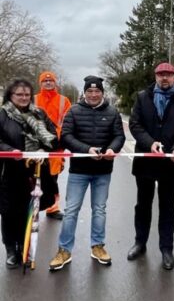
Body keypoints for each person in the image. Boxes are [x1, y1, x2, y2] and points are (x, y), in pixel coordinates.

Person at [49, 76, 125, 271]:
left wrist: (111, 150)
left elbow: (119, 136)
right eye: (89, 91)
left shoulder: (112, 112)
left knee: (99, 209)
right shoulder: (73, 111)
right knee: (72, 210)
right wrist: (86, 149)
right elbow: (65, 137)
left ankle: (98, 246)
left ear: (102, 92)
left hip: (103, 171)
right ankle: (64, 250)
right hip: (79, 171)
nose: (93, 94)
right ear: (84, 93)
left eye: (97, 91)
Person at [127, 62, 174, 270]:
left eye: (169, 75)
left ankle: (167, 249)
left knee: (167, 208)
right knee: (143, 205)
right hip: (146, 162)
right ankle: (140, 243)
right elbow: (135, 125)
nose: (165, 78)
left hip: (170, 163)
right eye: (161, 74)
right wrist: (150, 142)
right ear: (155, 76)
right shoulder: (142, 97)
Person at [0, 79, 58, 269]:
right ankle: (11, 250)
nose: (24, 98)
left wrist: (42, 149)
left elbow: (53, 137)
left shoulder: (39, 113)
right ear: (11, 95)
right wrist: (10, 150)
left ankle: (23, 246)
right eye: (19, 94)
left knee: (29, 210)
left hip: (35, 170)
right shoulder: (3, 114)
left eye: (27, 94)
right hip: (9, 171)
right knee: (9, 212)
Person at [35, 71, 72, 220]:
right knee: (33, 177)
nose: (48, 83)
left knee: (53, 178)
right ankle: (32, 206)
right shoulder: (33, 99)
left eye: (51, 81)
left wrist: (62, 141)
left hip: (56, 146)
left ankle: (52, 208)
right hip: (36, 145)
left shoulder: (64, 101)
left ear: (55, 83)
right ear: (41, 83)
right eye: (45, 81)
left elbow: (68, 123)